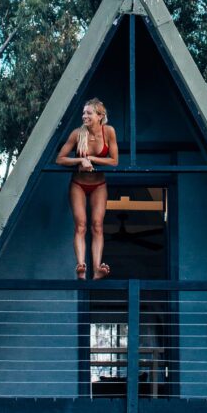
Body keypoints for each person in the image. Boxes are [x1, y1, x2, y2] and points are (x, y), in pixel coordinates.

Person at [56, 98, 119, 279]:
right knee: (81, 225)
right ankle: (81, 267)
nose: (84, 116)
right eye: (83, 113)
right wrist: (79, 160)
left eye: (89, 113)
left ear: (100, 116)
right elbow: (60, 159)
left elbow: (114, 161)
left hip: (98, 184)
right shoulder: (77, 134)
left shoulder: (109, 132)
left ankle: (97, 269)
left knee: (97, 226)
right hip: (78, 184)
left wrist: (91, 159)